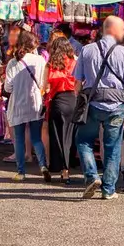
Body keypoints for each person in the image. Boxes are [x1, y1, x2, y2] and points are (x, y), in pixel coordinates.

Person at [74, 14, 124, 200]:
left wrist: (79, 101)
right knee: (112, 146)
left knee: (83, 141)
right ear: (112, 29)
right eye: (122, 28)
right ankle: (108, 189)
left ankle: (92, 176)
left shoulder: (86, 50)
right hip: (117, 104)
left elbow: (77, 82)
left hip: (92, 103)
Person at [4, 29, 47, 179]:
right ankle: (43, 166)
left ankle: (21, 172)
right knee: (36, 137)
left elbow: (7, 87)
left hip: (18, 104)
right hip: (35, 103)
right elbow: (43, 84)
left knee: (19, 138)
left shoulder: (13, 62)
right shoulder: (41, 61)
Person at [43, 37, 80, 183]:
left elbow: (45, 86)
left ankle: (59, 166)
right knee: (70, 136)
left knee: (57, 136)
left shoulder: (50, 64)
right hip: (73, 100)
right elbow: (80, 83)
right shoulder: (75, 63)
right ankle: (68, 168)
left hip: (57, 101)